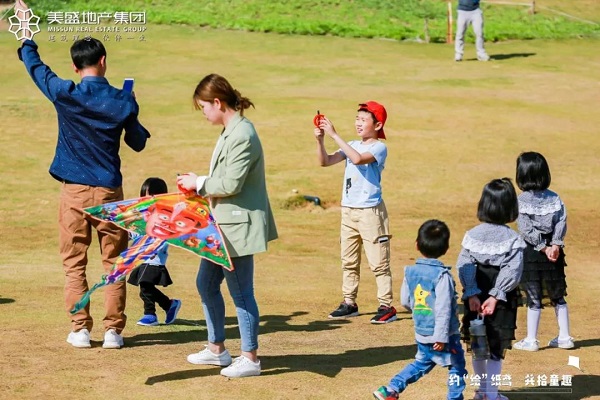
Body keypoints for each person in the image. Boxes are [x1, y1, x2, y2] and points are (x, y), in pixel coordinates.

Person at [14, 0, 150, 349]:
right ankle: (113, 332)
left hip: (73, 191)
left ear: (75, 67)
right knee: (114, 263)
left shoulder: (66, 93)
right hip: (109, 193)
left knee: (74, 264)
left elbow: (35, 67)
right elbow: (137, 143)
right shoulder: (122, 100)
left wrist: (27, 32)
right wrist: (132, 107)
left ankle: (80, 329)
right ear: (103, 61)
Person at [177, 73, 278, 378]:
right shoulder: (231, 131)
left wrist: (199, 182)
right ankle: (217, 349)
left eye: (204, 107)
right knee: (206, 284)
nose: (203, 113)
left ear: (218, 102)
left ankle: (250, 358)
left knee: (241, 293)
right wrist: (199, 184)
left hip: (236, 228)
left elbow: (232, 183)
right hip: (221, 225)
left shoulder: (242, 134)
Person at [314, 101, 396, 324]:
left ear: (377, 125)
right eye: (357, 119)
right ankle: (349, 303)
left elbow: (359, 159)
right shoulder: (351, 144)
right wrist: (320, 140)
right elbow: (325, 161)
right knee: (348, 261)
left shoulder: (379, 147)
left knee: (379, 262)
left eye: (363, 120)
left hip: (371, 212)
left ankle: (386, 306)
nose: (358, 123)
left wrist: (334, 134)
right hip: (349, 210)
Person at [373, 220, 467, 400]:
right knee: (457, 368)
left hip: (422, 332)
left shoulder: (410, 272)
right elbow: (444, 308)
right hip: (445, 336)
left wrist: (421, 312)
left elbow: (405, 301)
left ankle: (391, 389)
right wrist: (440, 337)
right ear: (446, 249)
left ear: (417, 244)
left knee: (421, 363)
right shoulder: (442, 276)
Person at [457, 178, 525, 400]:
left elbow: (464, 265)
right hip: (501, 301)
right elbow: (512, 270)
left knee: (477, 345)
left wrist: (472, 292)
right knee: (496, 349)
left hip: (475, 298)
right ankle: (492, 394)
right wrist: (496, 296)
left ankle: (482, 391)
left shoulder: (472, 235)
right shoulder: (513, 239)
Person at [512, 152, 573, 351]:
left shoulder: (521, 200)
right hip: (554, 253)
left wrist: (542, 247)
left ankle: (531, 340)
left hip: (532, 253)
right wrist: (555, 245)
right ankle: (565, 337)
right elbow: (561, 222)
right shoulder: (555, 198)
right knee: (558, 294)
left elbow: (525, 229)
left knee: (533, 295)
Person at [127, 178, 182, 327]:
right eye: (144, 196)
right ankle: (169, 304)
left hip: (154, 257)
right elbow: (137, 232)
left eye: (151, 196)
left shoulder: (165, 215)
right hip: (142, 257)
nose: (147, 199)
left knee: (145, 286)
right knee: (146, 287)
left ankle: (150, 314)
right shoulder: (142, 214)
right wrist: (128, 234)